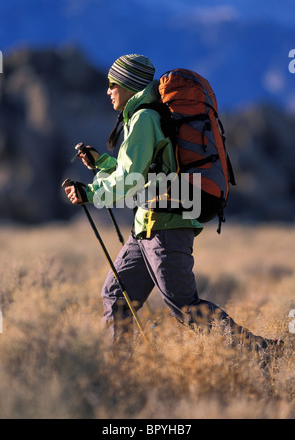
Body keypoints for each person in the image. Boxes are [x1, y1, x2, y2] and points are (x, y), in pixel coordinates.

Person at [64, 54, 281, 358]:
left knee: (185, 307)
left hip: (165, 224)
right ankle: (120, 371)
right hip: (150, 225)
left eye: (113, 84)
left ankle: (266, 352)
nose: (108, 90)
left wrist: (90, 193)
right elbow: (144, 172)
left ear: (128, 84)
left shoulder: (143, 119)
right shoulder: (147, 115)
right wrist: (101, 163)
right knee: (117, 296)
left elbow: (129, 179)